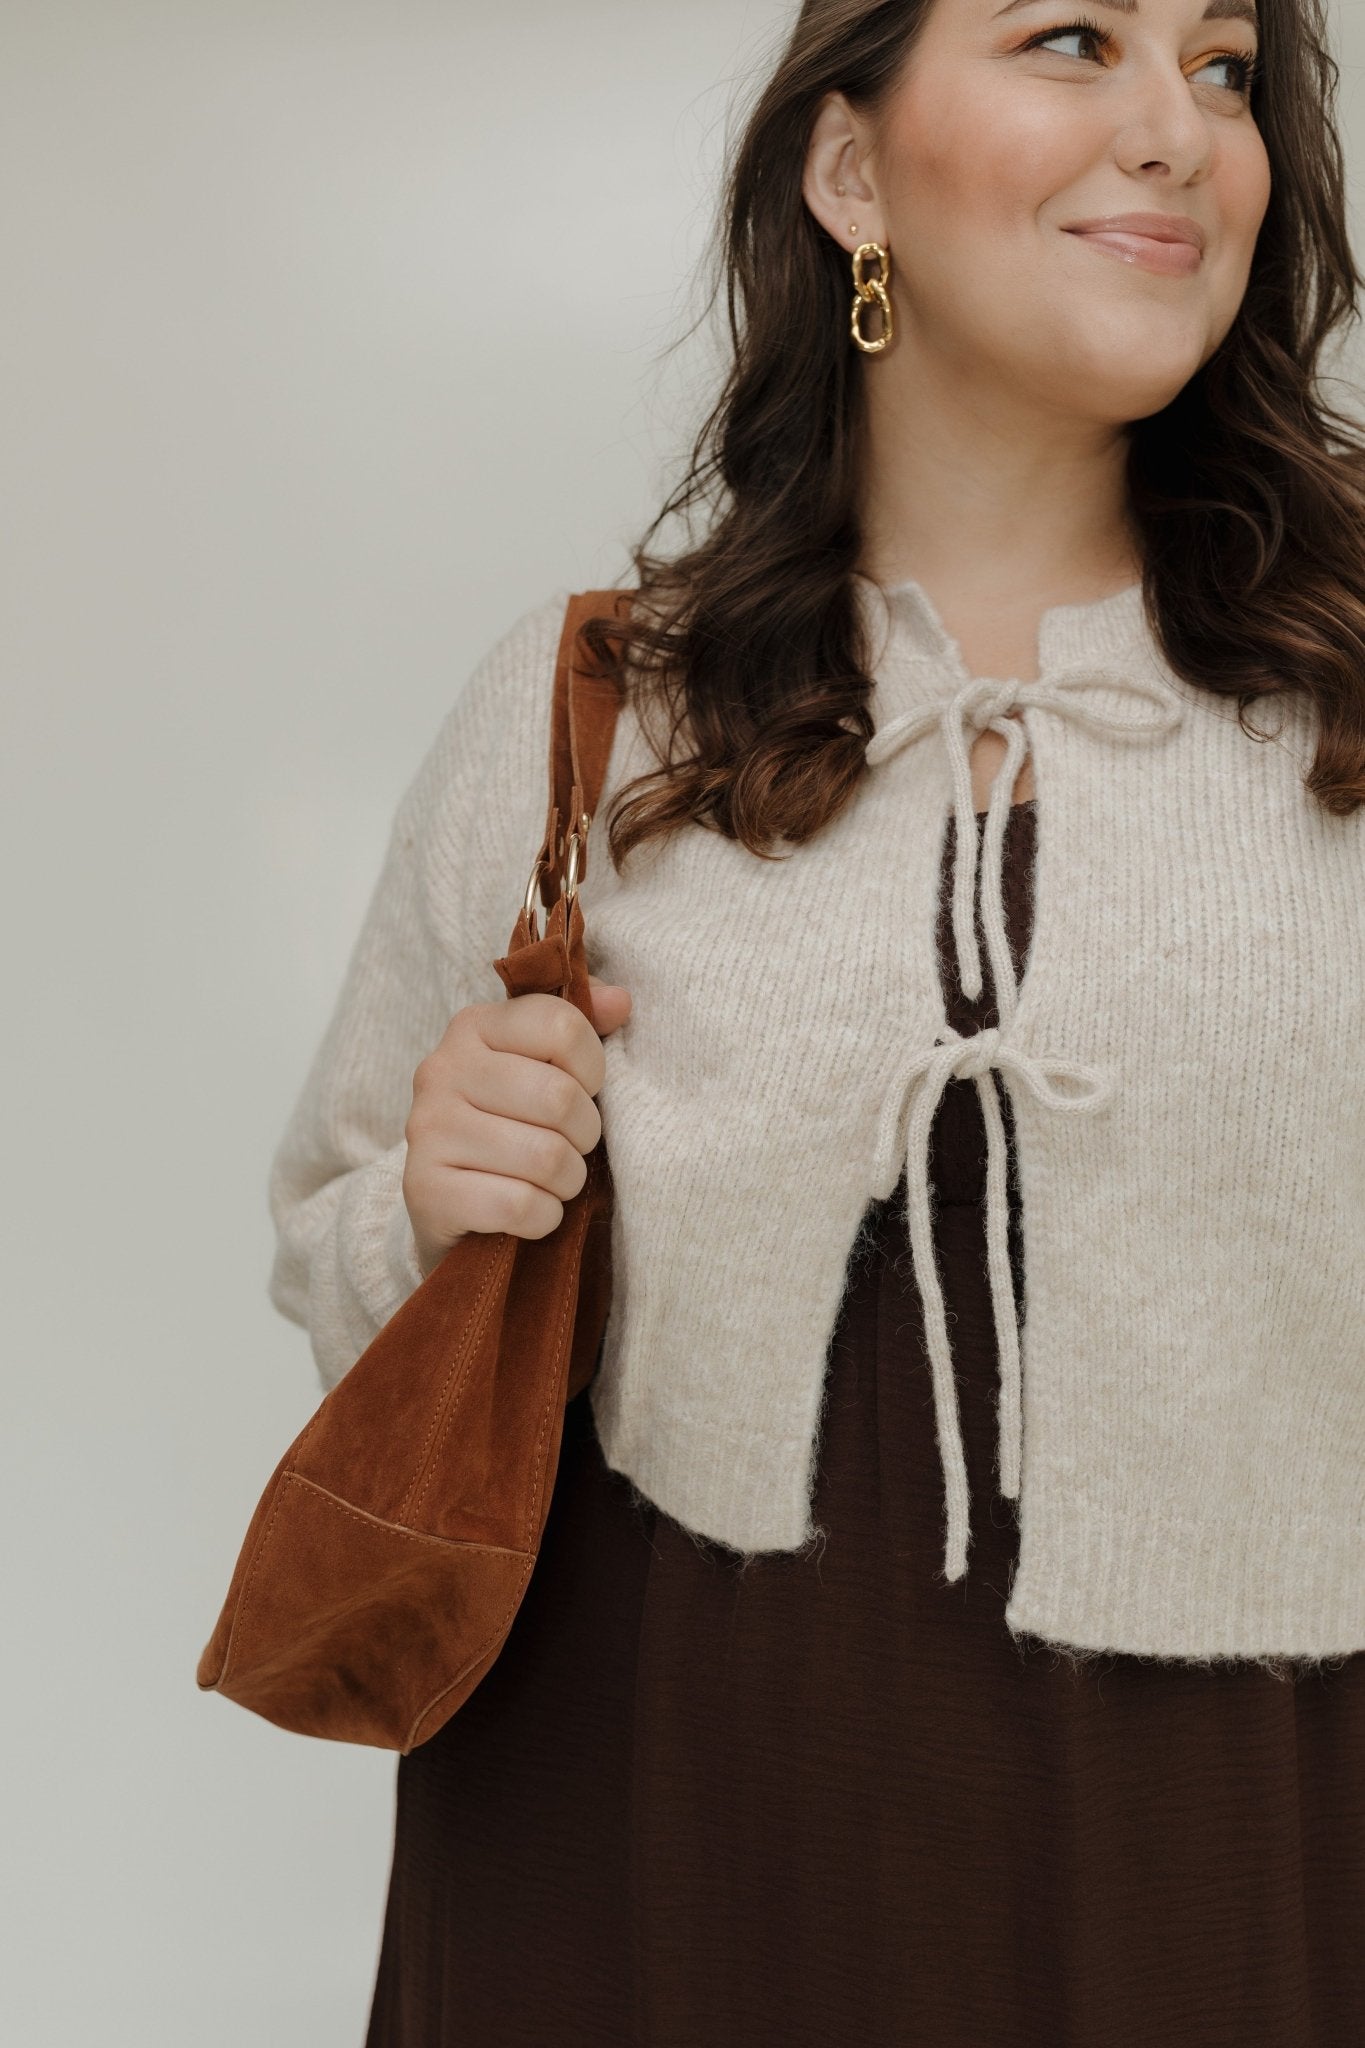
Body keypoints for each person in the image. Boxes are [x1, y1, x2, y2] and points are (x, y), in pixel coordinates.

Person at [266, 1, 1365, 2041]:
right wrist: (436, 1197)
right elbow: (336, 1263)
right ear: (848, 172)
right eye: (1071, 38)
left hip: (1227, 1846)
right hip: (642, 1846)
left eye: (1223, 67)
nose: (1173, 131)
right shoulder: (595, 702)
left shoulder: (1350, 705)